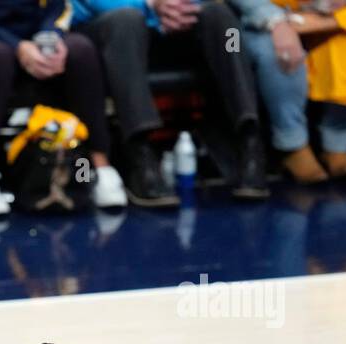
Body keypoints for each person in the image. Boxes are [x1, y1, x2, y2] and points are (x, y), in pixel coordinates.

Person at [0, 0, 127, 215]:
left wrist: (49, 38)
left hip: (29, 40)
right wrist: (17, 46)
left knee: (80, 49)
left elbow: (60, 6)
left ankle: (99, 168)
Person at [73, 0, 267, 205]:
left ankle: (249, 138)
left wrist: (181, 5)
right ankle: (141, 154)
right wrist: (151, 6)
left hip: (172, 24)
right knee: (126, 19)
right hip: (109, 29)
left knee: (224, 21)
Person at [232, 0, 346, 183]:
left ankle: (338, 144)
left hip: (323, 15)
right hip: (260, 19)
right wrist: (277, 21)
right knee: (282, 52)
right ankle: (293, 145)